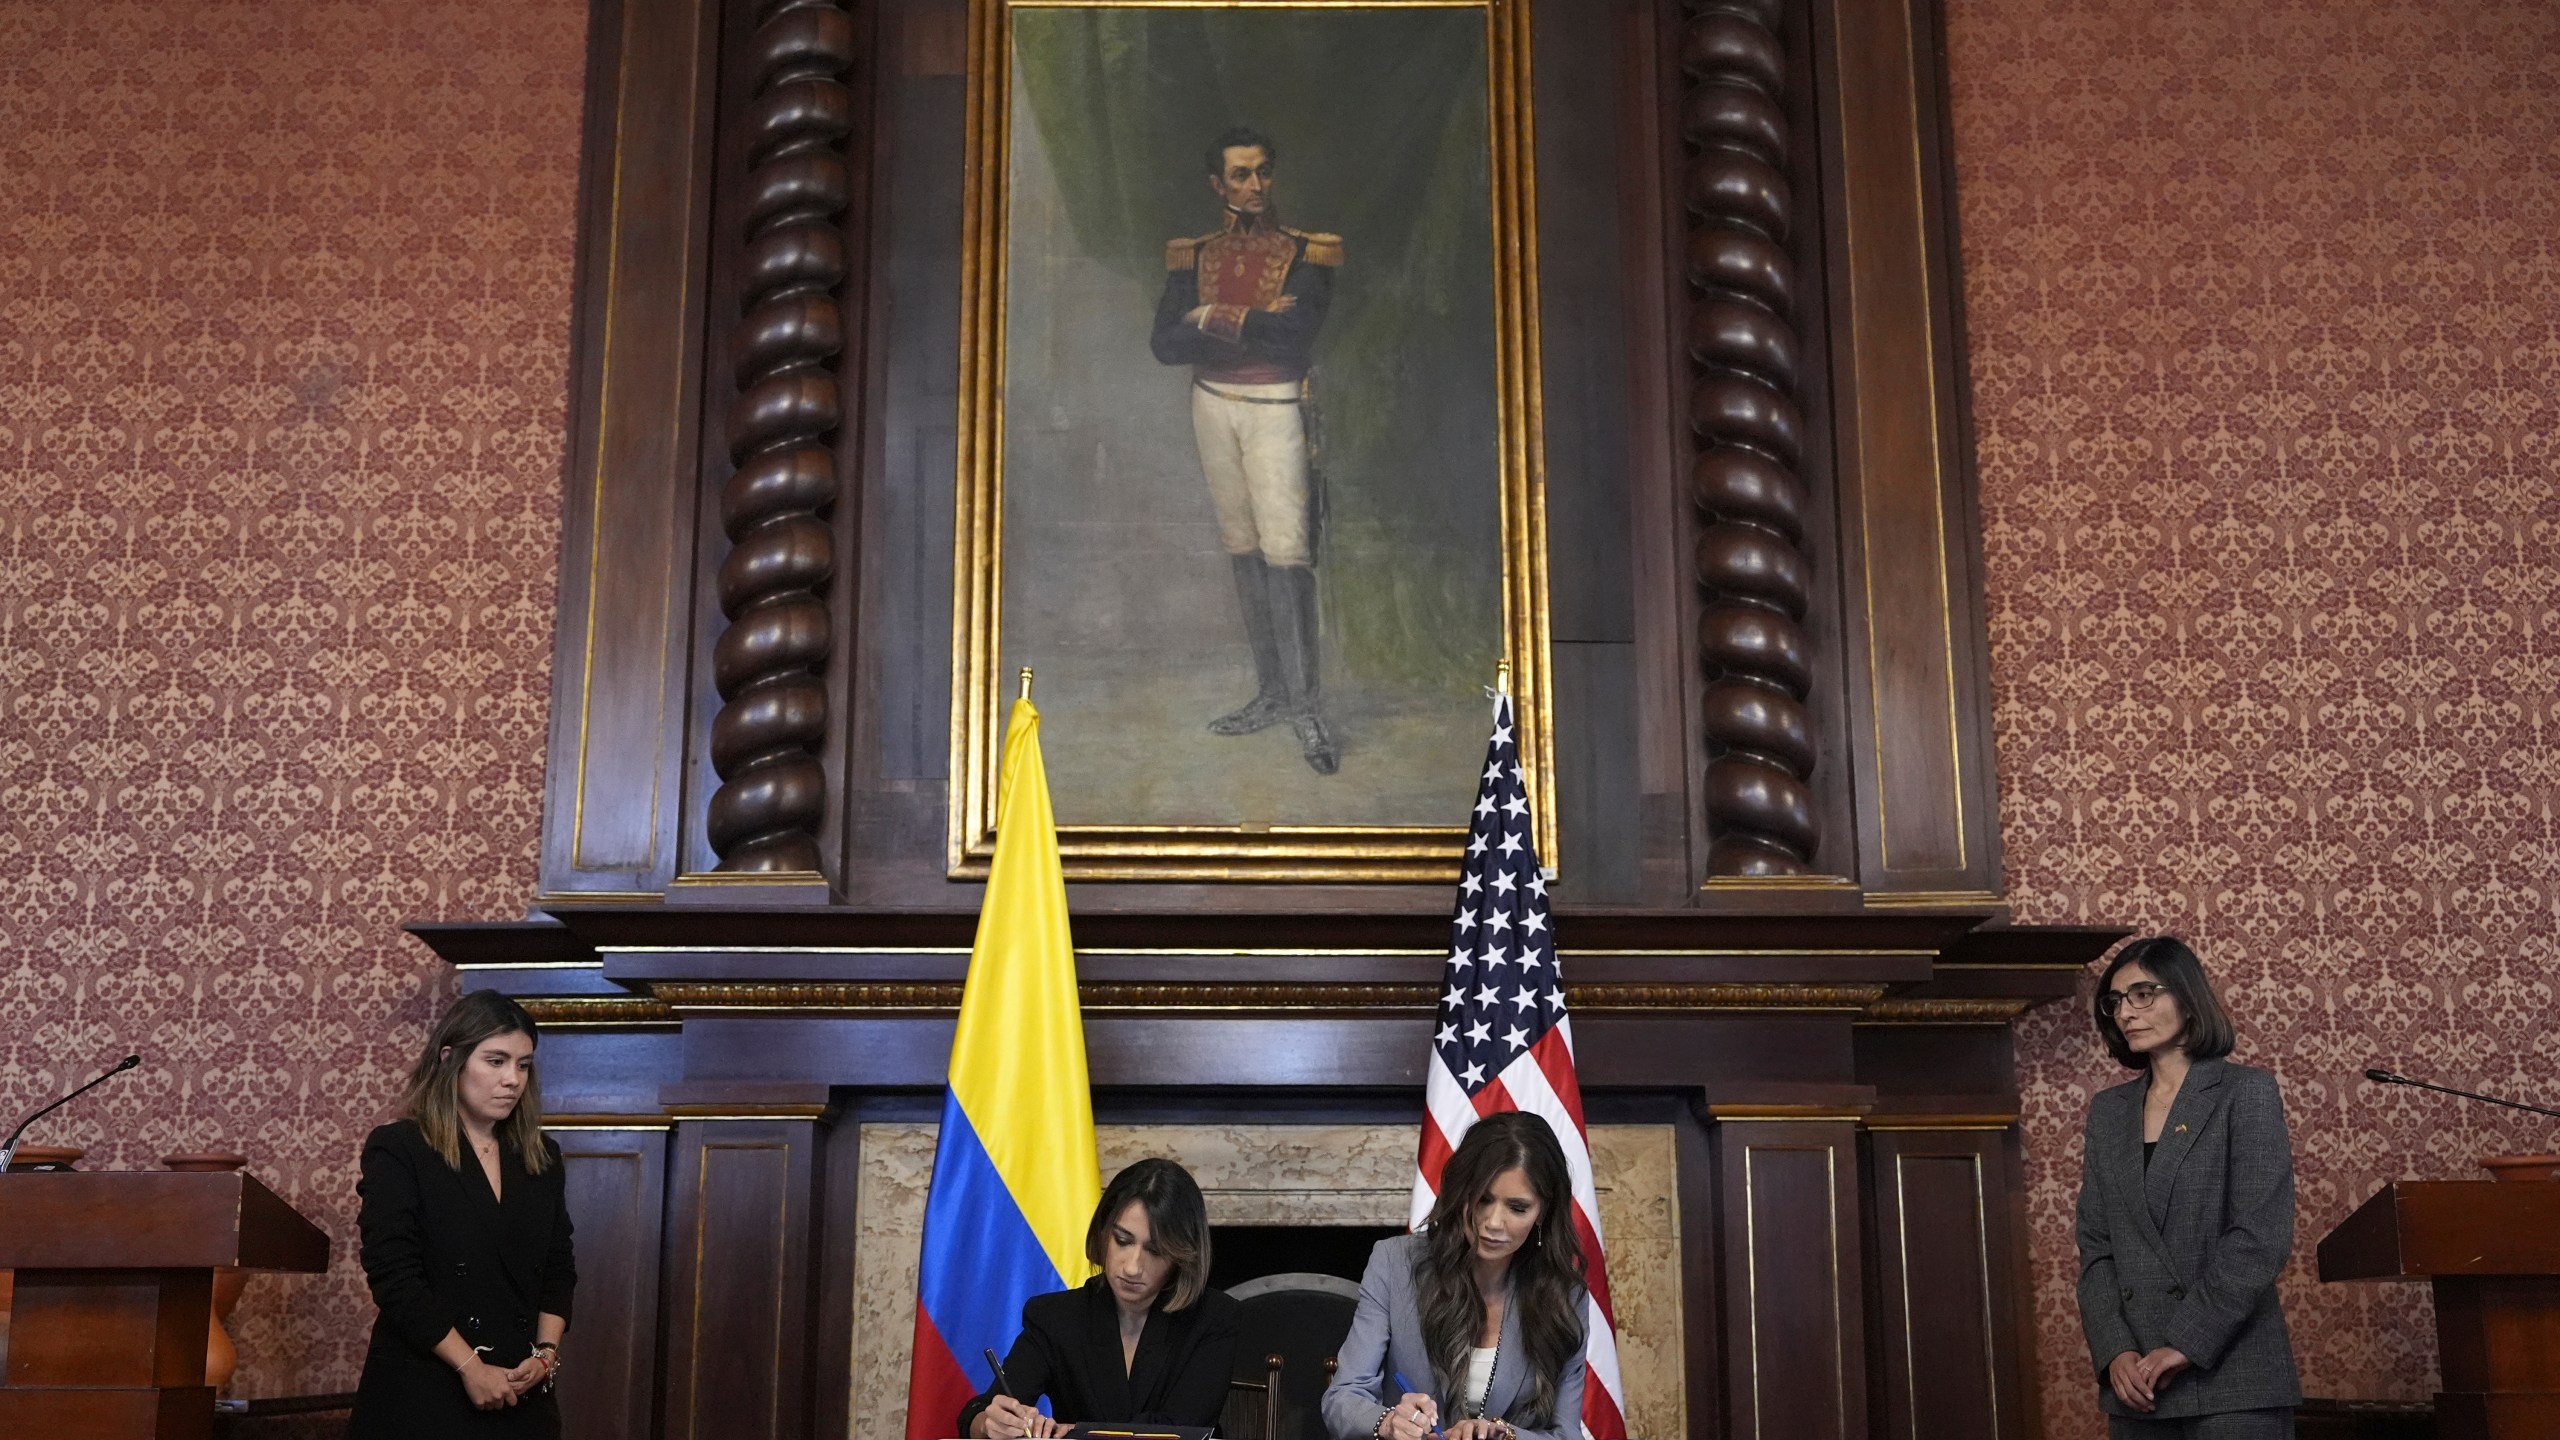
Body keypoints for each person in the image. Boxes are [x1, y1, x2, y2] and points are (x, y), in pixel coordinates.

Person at [1150, 125, 1343, 775]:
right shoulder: (1190, 254)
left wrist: (1209, 316)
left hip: (1277, 409)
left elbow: (1295, 338)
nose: (1254, 186)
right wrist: (1235, 322)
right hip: (1211, 407)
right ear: (1217, 184)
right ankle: (1273, 693)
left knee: (1288, 553)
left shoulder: (1307, 252)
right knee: (1243, 546)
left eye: (1262, 172)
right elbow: (1165, 345)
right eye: (1240, 175)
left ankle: (1307, 706)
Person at [2075, 936, 2302, 1437]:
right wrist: (2116, 1350)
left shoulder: (2246, 1092)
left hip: (2233, 1378)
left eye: (2143, 994)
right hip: (2137, 1389)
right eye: (2115, 1001)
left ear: (2188, 996)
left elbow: (2259, 1237)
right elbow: (2096, 1247)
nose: (2125, 1012)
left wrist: (2186, 1342)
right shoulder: (2109, 1113)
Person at [350, 990, 575, 1438]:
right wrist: (471, 1367)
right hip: (425, 1388)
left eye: (523, 1065)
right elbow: (395, 1276)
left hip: (520, 1390)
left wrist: (546, 1356)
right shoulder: (401, 1148)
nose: (512, 1079)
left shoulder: (541, 1156)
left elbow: (558, 1268)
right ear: (450, 1060)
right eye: (496, 1061)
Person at [1324, 1113, 1588, 1440]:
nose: (1493, 1222)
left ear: (1542, 1213)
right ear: (1461, 1192)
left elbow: (1567, 1435)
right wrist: (1389, 1422)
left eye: (1517, 1208)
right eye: (1482, 1199)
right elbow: (1342, 1398)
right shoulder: (1394, 1262)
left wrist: (1503, 1435)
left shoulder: (1565, 1292)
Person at [959, 1158, 1242, 1438]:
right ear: (1103, 1232)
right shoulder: (1053, 1316)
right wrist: (989, 1424)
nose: (1132, 1267)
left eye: (1155, 1251)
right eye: (1122, 1240)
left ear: (1183, 1256)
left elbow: (1180, 1429)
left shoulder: (1214, 1318)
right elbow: (978, 1412)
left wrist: (1078, 1432)